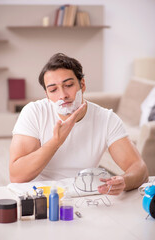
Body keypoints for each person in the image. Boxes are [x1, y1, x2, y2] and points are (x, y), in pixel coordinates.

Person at [9, 53, 148, 195]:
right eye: (53, 90)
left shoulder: (106, 119)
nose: (62, 95)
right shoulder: (33, 112)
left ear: (82, 84)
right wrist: (56, 142)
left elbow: (139, 169)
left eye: (68, 85)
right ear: (47, 95)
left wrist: (124, 181)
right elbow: (16, 176)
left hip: (84, 193)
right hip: (41, 195)